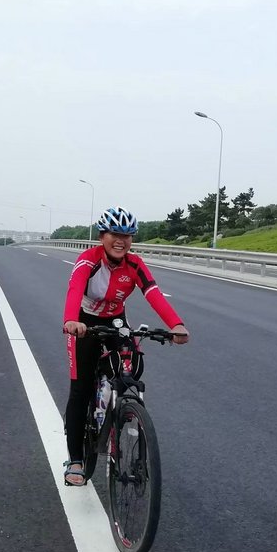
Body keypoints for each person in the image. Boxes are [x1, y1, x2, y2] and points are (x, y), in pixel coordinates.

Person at [61, 206, 190, 486]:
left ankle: (116, 408)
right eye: (115, 234)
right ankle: (75, 459)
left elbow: (153, 292)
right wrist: (72, 321)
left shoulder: (134, 264)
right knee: (80, 388)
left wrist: (176, 324)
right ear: (102, 236)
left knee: (133, 364)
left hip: (116, 320)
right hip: (85, 322)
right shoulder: (88, 261)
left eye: (127, 236)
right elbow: (74, 289)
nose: (121, 241)